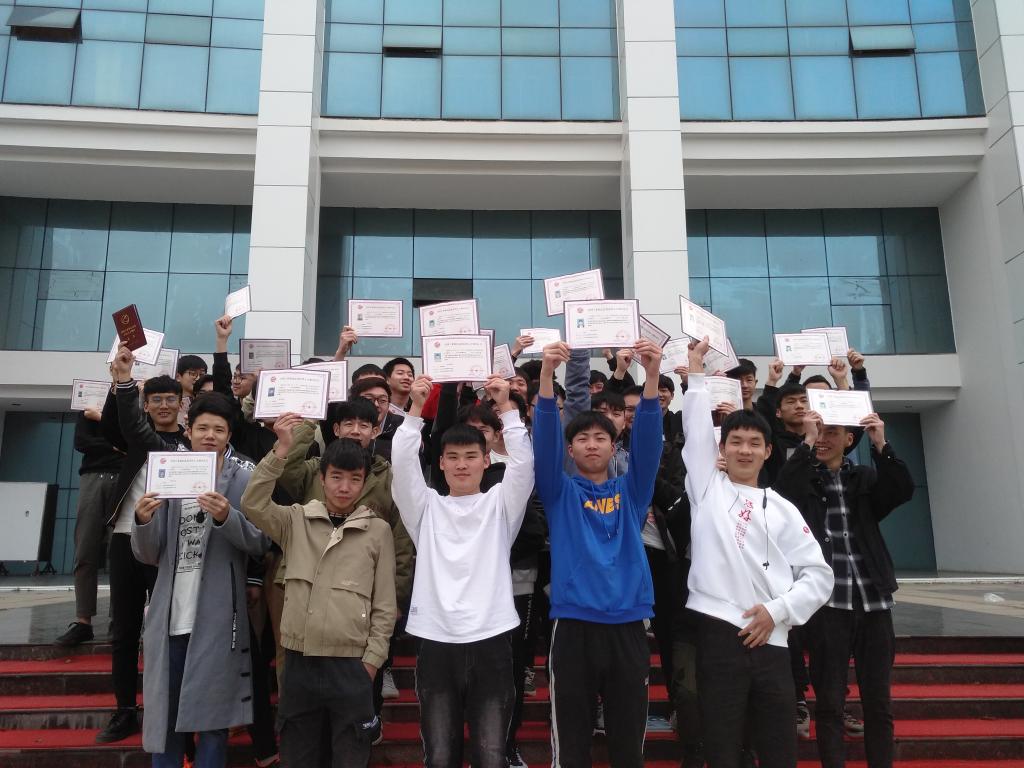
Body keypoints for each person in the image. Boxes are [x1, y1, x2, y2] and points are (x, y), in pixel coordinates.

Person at [681, 336, 833, 768]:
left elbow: (819, 576)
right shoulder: (706, 489)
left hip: (772, 638)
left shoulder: (783, 508)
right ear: (722, 449)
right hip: (717, 634)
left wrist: (777, 612)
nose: (744, 450)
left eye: (754, 443)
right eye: (735, 442)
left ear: (768, 451)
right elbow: (694, 434)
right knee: (722, 748)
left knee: (779, 749)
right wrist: (695, 374)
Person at [392, 374, 535, 768]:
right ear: (440, 463)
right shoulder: (425, 508)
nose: (461, 465)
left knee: (491, 754)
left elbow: (524, 465)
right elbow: (402, 464)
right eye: (452, 457)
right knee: (439, 754)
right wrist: (415, 409)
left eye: (471, 456)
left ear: (486, 461)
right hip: (435, 640)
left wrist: (506, 407)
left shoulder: (500, 505)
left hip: (492, 638)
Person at [533, 338, 664, 768]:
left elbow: (649, 445)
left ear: (614, 445)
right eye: (582, 438)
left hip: (628, 624)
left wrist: (651, 376)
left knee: (628, 748)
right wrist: (546, 377)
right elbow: (544, 444)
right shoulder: (559, 493)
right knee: (572, 747)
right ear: (570, 450)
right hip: (573, 626)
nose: (591, 444)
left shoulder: (633, 491)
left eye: (600, 438)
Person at [241, 422, 397, 768]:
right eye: (336, 477)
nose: (344, 487)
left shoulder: (378, 531)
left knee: (350, 754)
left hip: (352, 662)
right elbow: (252, 503)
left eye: (354, 479)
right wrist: (281, 451)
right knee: (298, 753)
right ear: (322, 478)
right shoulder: (295, 520)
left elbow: (385, 605)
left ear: (364, 483)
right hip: (300, 660)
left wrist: (371, 663)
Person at [131, 394, 269, 768]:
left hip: (218, 620)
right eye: (203, 428)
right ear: (188, 430)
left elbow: (261, 542)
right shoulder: (167, 473)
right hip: (169, 619)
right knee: (165, 721)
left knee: (213, 725)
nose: (210, 436)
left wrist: (227, 517)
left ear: (229, 436)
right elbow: (148, 553)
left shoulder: (243, 478)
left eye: (219, 429)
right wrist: (143, 520)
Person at [773, 410, 914, 768]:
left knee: (878, 703)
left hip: (873, 601)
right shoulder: (804, 479)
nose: (822, 438)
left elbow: (902, 489)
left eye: (831, 432)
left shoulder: (864, 477)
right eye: (817, 431)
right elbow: (781, 491)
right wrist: (806, 441)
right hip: (827, 605)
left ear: (849, 440)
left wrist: (881, 443)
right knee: (830, 703)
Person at [95, 352, 190, 744]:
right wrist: (121, 379)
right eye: (156, 400)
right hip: (124, 538)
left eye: (171, 399)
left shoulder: (193, 446)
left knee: (169, 628)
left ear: (182, 403)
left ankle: (170, 709)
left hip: (167, 543)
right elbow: (118, 424)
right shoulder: (136, 437)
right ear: (146, 405)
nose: (164, 405)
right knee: (124, 628)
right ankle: (124, 710)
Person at [54, 405, 124, 646]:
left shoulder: (133, 403)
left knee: (120, 555)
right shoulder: (88, 404)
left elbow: (133, 439)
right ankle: (83, 621)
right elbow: (82, 442)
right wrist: (115, 445)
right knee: (85, 550)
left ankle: (119, 619)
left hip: (124, 478)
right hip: (92, 477)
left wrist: (102, 421)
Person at [175, 354, 208, 427]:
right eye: (193, 374)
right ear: (178, 377)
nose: (198, 378)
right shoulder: (172, 404)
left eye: (202, 374)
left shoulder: (208, 402)